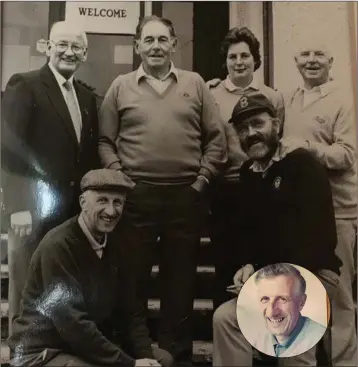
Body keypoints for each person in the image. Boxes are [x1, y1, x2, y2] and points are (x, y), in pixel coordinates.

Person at [98, 15, 227, 364]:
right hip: (136, 197)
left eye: (162, 40)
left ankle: (175, 354)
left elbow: (216, 141)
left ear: (173, 44)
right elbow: (106, 141)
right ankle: (136, 354)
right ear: (138, 46)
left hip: (185, 197)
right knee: (133, 278)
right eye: (148, 40)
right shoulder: (120, 86)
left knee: (180, 282)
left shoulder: (195, 83)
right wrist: (120, 177)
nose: (155, 46)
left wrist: (200, 181)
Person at [212, 92, 342, 366]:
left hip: (314, 276)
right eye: (243, 129)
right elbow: (250, 231)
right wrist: (248, 264)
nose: (251, 134)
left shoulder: (303, 165)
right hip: (272, 282)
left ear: (276, 124)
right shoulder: (249, 172)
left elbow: (318, 241)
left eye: (258, 124)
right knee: (225, 318)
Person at [7, 169, 173, 367]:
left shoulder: (120, 243)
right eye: (102, 200)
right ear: (83, 203)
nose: (111, 211)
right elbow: (72, 323)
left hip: (85, 345)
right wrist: (130, 364)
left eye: (117, 202)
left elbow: (131, 313)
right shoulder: (58, 246)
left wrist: (148, 359)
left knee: (163, 360)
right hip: (44, 348)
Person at [1, 21, 100, 336]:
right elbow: (10, 150)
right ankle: (21, 350)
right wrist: (17, 207)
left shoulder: (85, 97)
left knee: (62, 285)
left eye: (76, 47)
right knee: (26, 285)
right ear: (47, 46)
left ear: (84, 54)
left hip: (70, 214)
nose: (69, 52)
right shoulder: (25, 85)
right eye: (62, 45)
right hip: (30, 211)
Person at [282, 43, 357, 366]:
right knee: (304, 297)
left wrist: (307, 149)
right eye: (304, 54)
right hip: (301, 216)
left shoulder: (343, 100)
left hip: (338, 212)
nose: (311, 60)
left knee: (339, 301)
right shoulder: (290, 99)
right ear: (295, 60)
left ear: (331, 60)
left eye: (319, 54)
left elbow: (346, 154)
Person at [206, 27, 285, 310]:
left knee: (263, 258)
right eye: (232, 57)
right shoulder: (211, 92)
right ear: (225, 61)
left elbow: (277, 141)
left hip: (261, 186)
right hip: (225, 188)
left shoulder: (272, 97)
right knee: (226, 261)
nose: (238, 62)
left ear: (255, 60)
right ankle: (225, 329)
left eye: (245, 56)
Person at [246, 263, 327, 358]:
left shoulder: (324, 342)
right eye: (265, 299)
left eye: (282, 299)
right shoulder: (256, 341)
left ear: (301, 302)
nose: (271, 312)